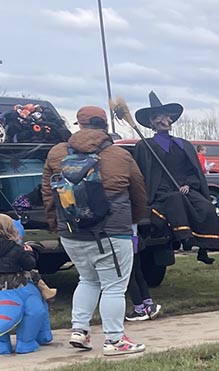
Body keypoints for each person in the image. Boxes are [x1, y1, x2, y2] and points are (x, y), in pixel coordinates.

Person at [40, 105, 148, 355]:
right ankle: (114, 340)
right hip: (111, 232)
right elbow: (139, 193)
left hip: (71, 232)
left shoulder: (56, 153)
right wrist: (132, 221)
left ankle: (80, 330)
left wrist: (56, 226)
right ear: (105, 126)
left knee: (87, 279)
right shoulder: (119, 155)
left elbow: (48, 193)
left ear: (79, 124)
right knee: (113, 286)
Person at [132, 92, 219, 267]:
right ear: (151, 123)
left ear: (170, 119)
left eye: (163, 116)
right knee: (176, 200)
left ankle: (204, 248)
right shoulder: (145, 145)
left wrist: (189, 184)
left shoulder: (183, 144)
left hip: (186, 188)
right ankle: (184, 238)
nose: (161, 120)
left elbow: (193, 171)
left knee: (206, 208)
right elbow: (143, 173)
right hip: (162, 192)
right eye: (156, 117)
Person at [0, 214, 55, 301]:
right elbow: (29, 265)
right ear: (11, 229)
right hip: (12, 281)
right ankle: (46, 291)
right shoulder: (16, 247)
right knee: (32, 273)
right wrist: (29, 253)